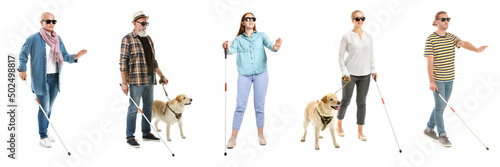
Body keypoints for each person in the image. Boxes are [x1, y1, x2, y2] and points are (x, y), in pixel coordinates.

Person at [19, 12, 87, 148]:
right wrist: (22, 69)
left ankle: (45, 131)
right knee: (44, 107)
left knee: (49, 107)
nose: (51, 24)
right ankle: (42, 136)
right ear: (41, 23)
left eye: (53, 21)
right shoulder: (33, 38)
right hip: (40, 78)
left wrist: (75, 56)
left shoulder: (57, 38)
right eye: (48, 21)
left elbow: (65, 56)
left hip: (55, 78)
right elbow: (23, 54)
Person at [423, 11, 487, 147]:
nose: (446, 21)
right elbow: (429, 62)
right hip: (438, 79)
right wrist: (431, 81)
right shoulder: (431, 39)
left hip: (450, 79)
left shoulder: (451, 37)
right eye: (443, 19)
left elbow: (463, 43)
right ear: (436, 21)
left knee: (441, 106)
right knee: (440, 108)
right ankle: (442, 135)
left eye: (448, 19)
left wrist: (476, 49)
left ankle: (429, 129)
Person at [222, 12, 282, 149]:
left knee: (259, 106)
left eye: (253, 19)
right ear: (242, 22)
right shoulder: (238, 39)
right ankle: (233, 137)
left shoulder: (261, 36)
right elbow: (230, 50)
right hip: (244, 76)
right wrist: (225, 46)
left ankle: (260, 134)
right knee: (240, 106)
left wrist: (276, 47)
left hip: (261, 74)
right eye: (247, 19)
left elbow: (271, 46)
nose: (250, 20)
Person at [120, 11, 169, 148]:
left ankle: (146, 133)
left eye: (146, 23)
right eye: (142, 23)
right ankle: (130, 136)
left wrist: (162, 76)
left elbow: (153, 61)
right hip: (136, 80)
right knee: (133, 109)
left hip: (149, 78)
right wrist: (124, 83)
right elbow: (123, 62)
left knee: (148, 107)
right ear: (134, 23)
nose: (144, 26)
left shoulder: (148, 39)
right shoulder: (127, 39)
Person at [337, 10, 377, 141]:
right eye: (357, 18)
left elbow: (371, 55)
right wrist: (344, 73)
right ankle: (339, 125)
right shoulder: (346, 37)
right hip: (350, 75)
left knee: (361, 102)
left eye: (362, 18)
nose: (360, 21)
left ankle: (360, 131)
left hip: (365, 74)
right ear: (352, 20)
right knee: (345, 101)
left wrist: (374, 69)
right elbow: (341, 56)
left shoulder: (369, 36)